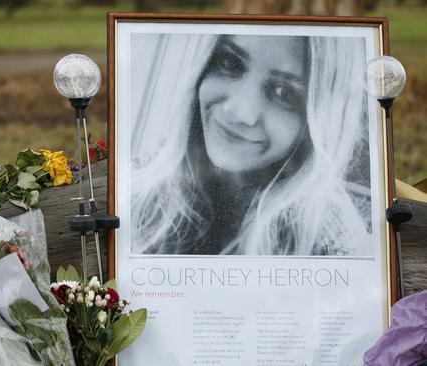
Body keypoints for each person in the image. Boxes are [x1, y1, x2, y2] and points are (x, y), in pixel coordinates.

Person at [130, 33, 372, 256]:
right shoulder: (140, 189)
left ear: (318, 121)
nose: (239, 113)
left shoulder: (335, 247)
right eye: (229, 63)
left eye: (283, 92)